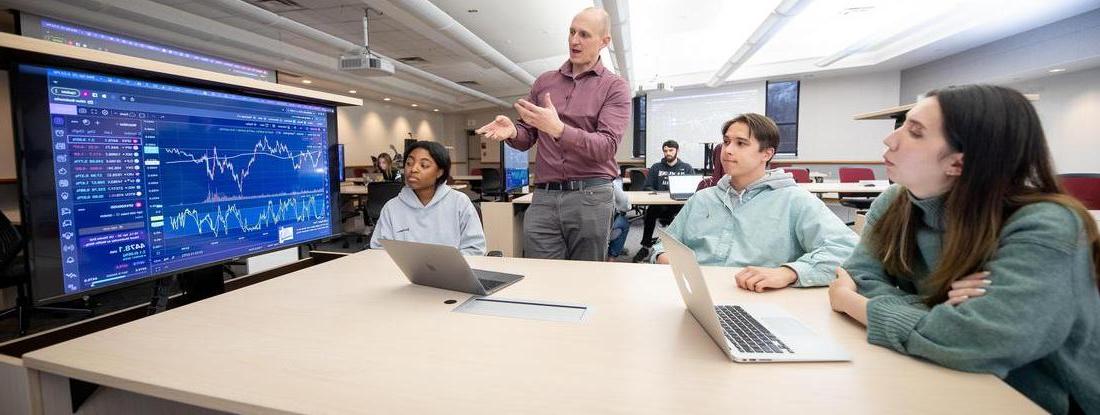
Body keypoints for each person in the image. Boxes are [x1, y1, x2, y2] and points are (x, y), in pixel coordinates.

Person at [827, 85, 1100, 414]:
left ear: (959, 163)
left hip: (1037, 400)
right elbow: (860, 275)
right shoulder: (895, 203)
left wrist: (849, 301)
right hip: (937, 376)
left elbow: (980, 341)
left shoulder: (1047, 224)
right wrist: (943, 309)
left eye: (915, 132)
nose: (890, 140)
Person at [475, 7, 630, 262]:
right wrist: (514, 131)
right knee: (543, 276)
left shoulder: (615, 87)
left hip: (590, 196)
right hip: (544, 197)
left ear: (604, 42)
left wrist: (558, 129)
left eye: (584, 34)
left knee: (586, 277)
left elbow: (606, 147)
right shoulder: (545, 82)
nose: (574, 40)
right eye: (571, 32)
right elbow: (528, 135)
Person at [650, 113, 857, 290]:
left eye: (740, 143)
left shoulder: (795, 201)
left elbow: (848, 252)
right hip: (696, 295)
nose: (728, 150)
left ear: (766, 154)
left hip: (756, 298)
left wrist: (789, 273)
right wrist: (663, 256)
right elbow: (664, 245)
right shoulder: (703, 198)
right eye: (726, 141)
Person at [369, 141, 486, 256]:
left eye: (423, 165)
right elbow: (379, 250)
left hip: (451, 273)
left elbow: (475, 248)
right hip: (401, 274)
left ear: (440, 172)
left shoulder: (459, 202)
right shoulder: (392, 207)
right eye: (409, 163)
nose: (413, 169)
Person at [634, 139, 693, 262]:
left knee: (689, 214)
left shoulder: (686, 168)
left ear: (677, 151)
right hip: (660, 204)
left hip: (678, 205)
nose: (668, 153)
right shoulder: (656, 167)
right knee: (650, 213)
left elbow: (693, 188)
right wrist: (658, 193)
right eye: (665, 151)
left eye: (671, 150)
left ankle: (685, 246)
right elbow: (647, 186)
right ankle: (646, 246)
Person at [607, 177, 631, 260]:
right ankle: (611, 258)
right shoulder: (608, 182)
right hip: (602, 228)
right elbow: (624, 203)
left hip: (574, 227)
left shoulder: (568, 180)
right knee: (623, 222)